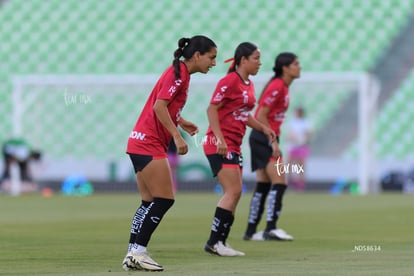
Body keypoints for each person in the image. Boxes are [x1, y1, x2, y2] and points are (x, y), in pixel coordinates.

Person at [123, 35, 217, 271]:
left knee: (148, 202)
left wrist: (181, 121)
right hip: (149, 143)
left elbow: (164, 104)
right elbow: (158, 106)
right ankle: (139, 252)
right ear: (197, 55)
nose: (214, 63)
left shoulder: (178, 72)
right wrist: (177, 136)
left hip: (138, 141)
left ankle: (132, 252)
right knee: (164, 199)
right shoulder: (180, 74)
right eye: (211, 57)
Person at [203, 42, 276, 257]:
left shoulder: (248, 84)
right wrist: (219, 139)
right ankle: (214, 242)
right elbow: (211, 109)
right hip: (219, 146)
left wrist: (263, 127)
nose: (259, 62)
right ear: (243, 60)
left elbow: (244, 115)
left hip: (234, 145)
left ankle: (221, 242)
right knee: (233, 191)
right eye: (256, 58)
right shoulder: (229, 81)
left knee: (235, 194)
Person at [243, 52, 301, 241]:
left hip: (261, 137)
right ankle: (271, 228)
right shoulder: (278, 86)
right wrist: (273, 141)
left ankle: (251, 232)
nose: (299, 67)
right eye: (295, 64)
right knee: (280, 182)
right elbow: (260, 115)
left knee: (263, 184)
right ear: (285, 68)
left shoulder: (282, 86)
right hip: (264, 137)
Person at [287, 106, 312, 191]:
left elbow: (308, 133)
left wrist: (302, 140)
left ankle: (300, 183)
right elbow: (290, 134)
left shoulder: (305, 122)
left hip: (301, 146)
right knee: (289, 164)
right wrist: (294, 138)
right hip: (293, 146)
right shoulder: (292, 122)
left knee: (300, 165)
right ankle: (290, 181)